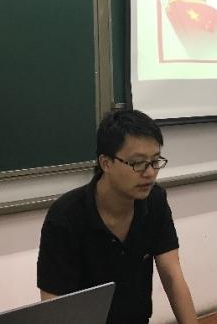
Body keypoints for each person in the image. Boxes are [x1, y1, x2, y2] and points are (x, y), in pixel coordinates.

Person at [37, 109, 197, 324]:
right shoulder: (65, 217)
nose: (150, 173)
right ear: (106, 163)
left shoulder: (154, 200)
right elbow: (54, 307)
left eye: (155, 161)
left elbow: (172, 274)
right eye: (138, 163)